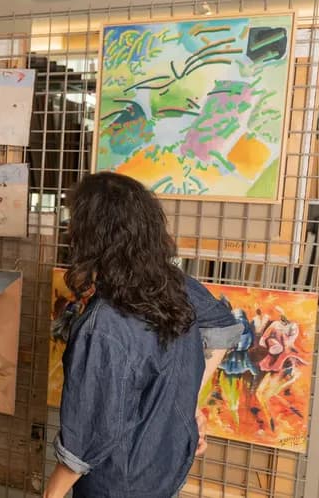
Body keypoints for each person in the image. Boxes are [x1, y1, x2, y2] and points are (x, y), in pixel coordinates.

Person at [44, 172, 243, 498]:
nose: (69, 230)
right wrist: (186, 406)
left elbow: (87, 441)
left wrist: (49, 495)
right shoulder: (174, 285)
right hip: (167, 467)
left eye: (74, 220)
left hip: (117, 483)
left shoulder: (103, 325)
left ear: (95, 233)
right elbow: (224, 327)